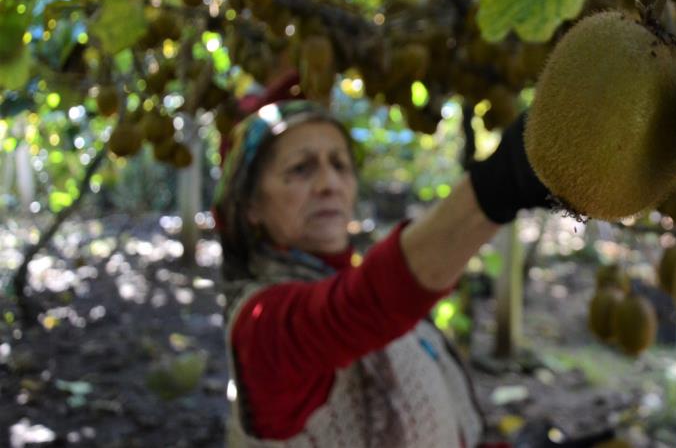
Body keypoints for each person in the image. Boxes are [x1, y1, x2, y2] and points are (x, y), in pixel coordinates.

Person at [211, 90, 552, 447]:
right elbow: (360, 306)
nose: (330, 185)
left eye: (340, 165)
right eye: (300, 168)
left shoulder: (356, 289)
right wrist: (501, 183)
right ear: (250, 205)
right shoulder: (261, 325)